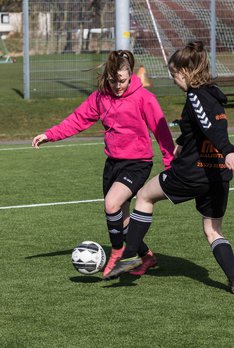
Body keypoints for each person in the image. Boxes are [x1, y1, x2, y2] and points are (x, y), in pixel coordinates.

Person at [104, 41, 234, 295]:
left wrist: (229, 150)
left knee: (144, 196)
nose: (175, 81)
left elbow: (212, 128)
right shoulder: (214, 93)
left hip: (192, 171)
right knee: (213, 230)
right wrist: (181, 144)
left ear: (185, 73)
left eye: (174, 76)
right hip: (217, 174)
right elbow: (198, 128)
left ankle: (131, 255)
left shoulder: (195, 95)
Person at [32, 49, 175, 277]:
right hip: (113, 163)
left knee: (111, 204)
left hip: (138, 163)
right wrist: (50, 134)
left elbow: (162, 132)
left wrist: (170, 164)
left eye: (122, 80)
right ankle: (147, 257)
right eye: (113, 80)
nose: (118, 86)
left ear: (130, 75)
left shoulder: (144, 98)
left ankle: (118, 252)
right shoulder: (101, 97)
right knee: (124, 220)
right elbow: (78, 119)